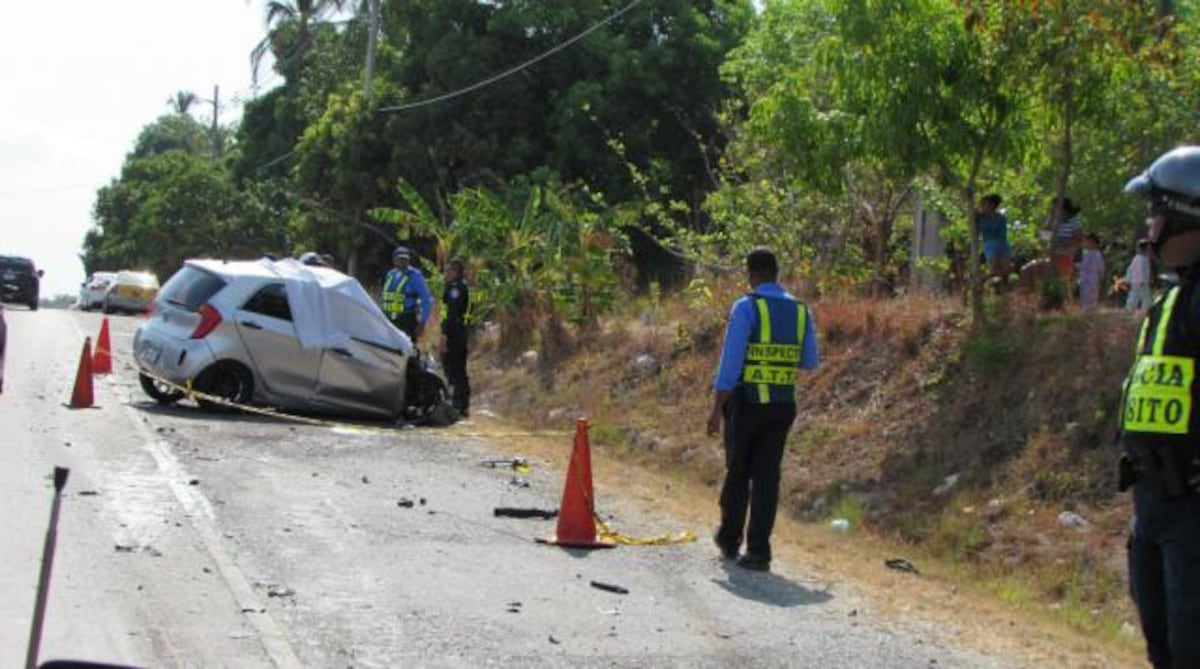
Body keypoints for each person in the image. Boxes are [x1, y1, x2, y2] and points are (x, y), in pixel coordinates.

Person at [1119, 145, 1200, 669]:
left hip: (1192, 509)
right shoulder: (1174, 294)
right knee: (1165, 647)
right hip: (1154, 502)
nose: (1150, 225)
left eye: (1157, 212)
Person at [707, 247, 819, 572]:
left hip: (748, 402)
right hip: (782, 404)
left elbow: (730, 364)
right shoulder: (801, 310)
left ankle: (729, 540)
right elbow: (809, 361)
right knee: (768, 478)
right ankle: (759, 552)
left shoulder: (746, 307)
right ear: (776, 272)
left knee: (738, 472)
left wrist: (717, 408)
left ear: (751, 273)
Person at [439, 258, 471, 418]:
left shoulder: (456, 289)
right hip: (458, 332)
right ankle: (460, 403)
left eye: (448, 271)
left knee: (455, 369)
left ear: (455, 272)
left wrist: (444, 335)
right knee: (455, 369)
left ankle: (460, 405)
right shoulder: (456, 286)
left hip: (454, 333)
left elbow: (451, 314)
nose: (445, 274)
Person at [381, 246, 433, 343]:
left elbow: (426, 300)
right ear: (394, 260)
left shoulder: (415, 276)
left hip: (406, 320)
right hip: (388, 319)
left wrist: (422, 322)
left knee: (407, 351)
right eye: (400, 259)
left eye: (405, 259)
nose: (402, 261)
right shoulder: (390, 274)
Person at [976, 193, 1012, 281]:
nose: (983, 207)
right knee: (993, 269)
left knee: (1006, 269)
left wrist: (1001, 249)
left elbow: (1002, 234)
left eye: (985, 204)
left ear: (992, 206)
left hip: (1002, 244)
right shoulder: (979, 218)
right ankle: (982, 281)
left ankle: (1002, 287)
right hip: (989, 244)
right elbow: (977, 232)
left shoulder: (1001, 218)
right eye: (982, 205)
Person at [1049, 196, 1084, 281]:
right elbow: (1044, 237)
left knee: (1064, 279)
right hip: (1054, 253)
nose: (1053, 210)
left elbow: (1078, 239)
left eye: (1055, 208)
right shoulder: (1051, 219)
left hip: (1068, 255)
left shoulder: (1073, 219)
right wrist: (1050, 223)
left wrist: (1067, 249)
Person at [1125, 237, 1155, 313]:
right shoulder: (1143, 259)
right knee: (1145, 297)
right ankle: (1147, 310)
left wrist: (1128, 279)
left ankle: (1130, 309)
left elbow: (1130, 269)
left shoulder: (1137, 258)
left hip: (1136, 281)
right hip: (1142, 282)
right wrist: (1144, 280)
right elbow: (1141, 271)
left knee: (1134, 296)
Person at [1078, 233, 1105, 310]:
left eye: (1087, 242)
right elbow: (1102, 266)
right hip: (1095, 277)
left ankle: (1086, 310)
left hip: (1086, 277)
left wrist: (1075, 265)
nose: (1085, 243)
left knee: (1085, 295)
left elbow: (1084, 265)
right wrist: (1102, 275)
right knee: (1093, 294)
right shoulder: (1098, 254)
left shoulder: (1088, 253)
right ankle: (1092, 309)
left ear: (1093, 243)